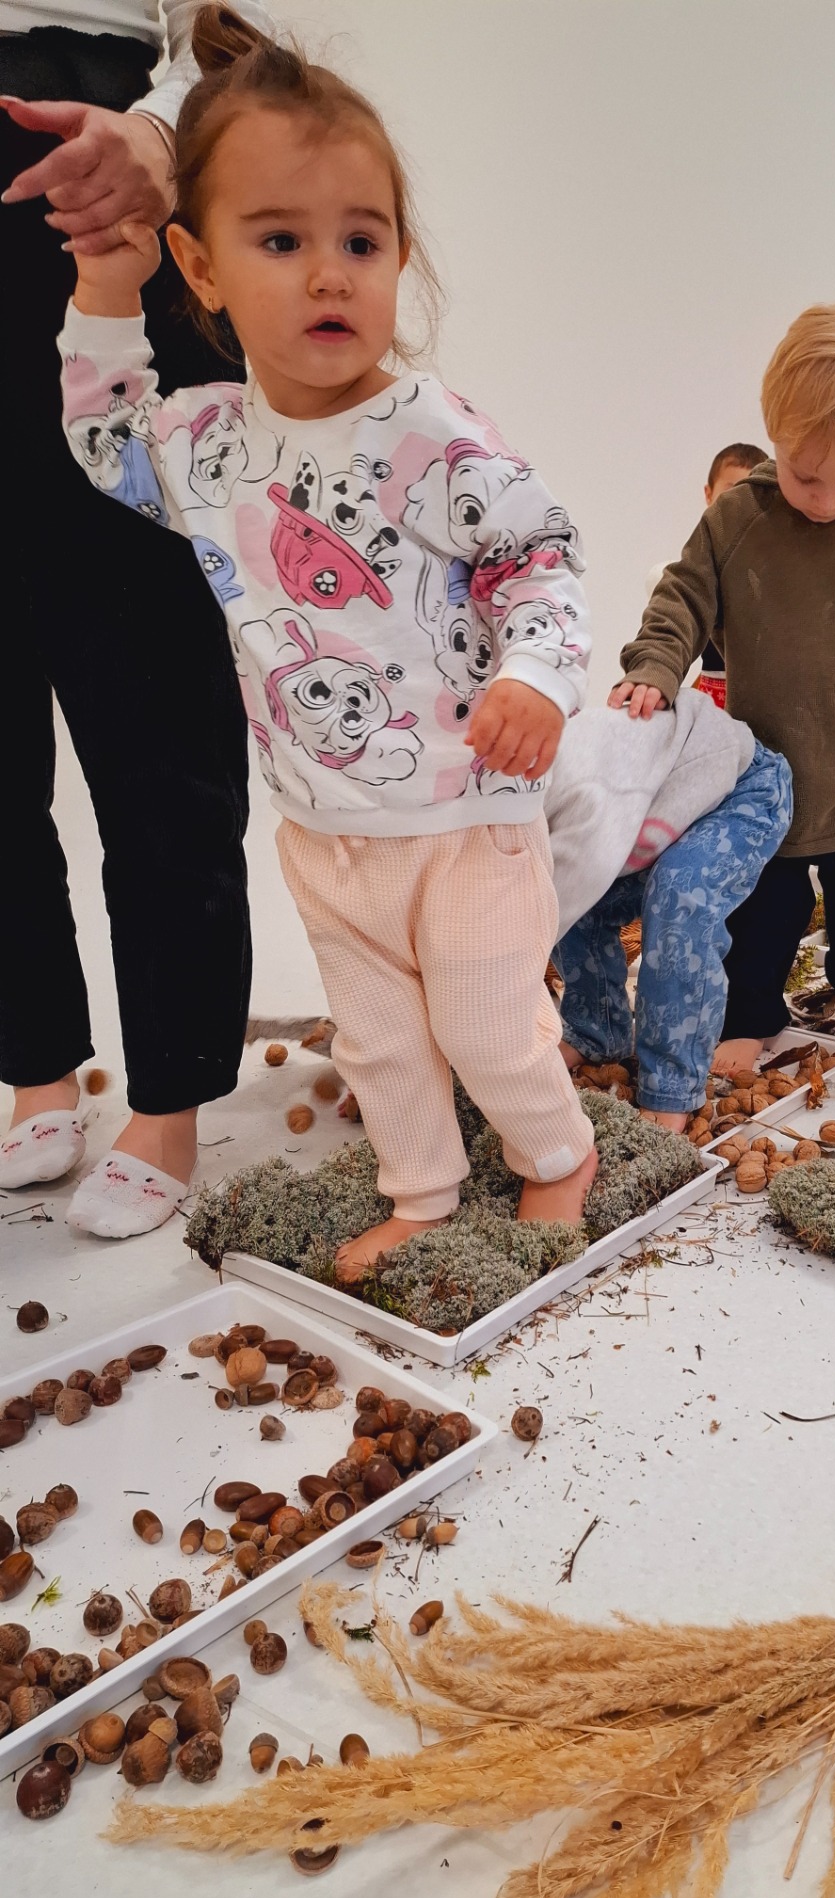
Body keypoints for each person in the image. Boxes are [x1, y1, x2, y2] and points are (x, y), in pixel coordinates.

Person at [52, 5, 596, 1275]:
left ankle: (558, 1154)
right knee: (382, 1042)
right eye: (281, 240)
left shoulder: (431, 432)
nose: (329, 273)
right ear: (201, 269)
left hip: (467, 816)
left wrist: (536, 673)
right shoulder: (203, 440)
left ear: (401, 254)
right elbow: (102, 441)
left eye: (361, 240)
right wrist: (102, 296)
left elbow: (540, 553)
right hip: (326, 827)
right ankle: (421, 1192)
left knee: (487, 1028)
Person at [0, 2, 274, 1234]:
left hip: (102, 184)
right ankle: (34, 1068)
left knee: (159, 720)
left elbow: (247, 29)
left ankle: (169, 1095)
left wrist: (167, 133)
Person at [613, 303, 835, 1066]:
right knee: (759, 914)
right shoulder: (738, 519)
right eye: (805, 476)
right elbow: (681, 599)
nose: (826, 500)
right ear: (773, 430)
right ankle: (749, 1016)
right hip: (767, 775)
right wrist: (655, 666)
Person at [546, 692, 792, 1131]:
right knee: (571, 900)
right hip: (656, 806)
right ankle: (595, 1030)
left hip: (740, 785)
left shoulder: (580, 784)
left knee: (679, 895)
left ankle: (673, 1081)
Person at [643, 442, 769, 710]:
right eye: (732, 491)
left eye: (752, 495)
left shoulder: (771, 571)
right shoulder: (696, 568)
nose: (740, 504)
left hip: (757, 703)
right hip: (712, 699)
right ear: (709, 494)